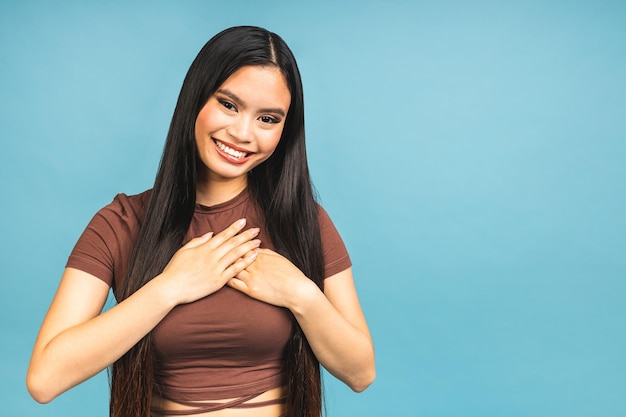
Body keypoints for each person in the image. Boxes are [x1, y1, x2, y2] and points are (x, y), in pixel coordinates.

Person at [26, 26, 375, 417]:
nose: (243, 133)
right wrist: (169, 288)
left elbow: (360, 372)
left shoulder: (304, 222)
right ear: (196, 98)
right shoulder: (120, 224)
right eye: (229, 105)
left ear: (284, 130)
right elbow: (45, 379)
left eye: (267, 119)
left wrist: (302, 294)